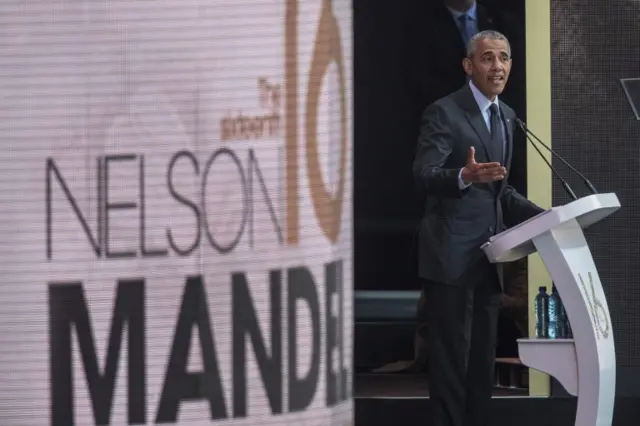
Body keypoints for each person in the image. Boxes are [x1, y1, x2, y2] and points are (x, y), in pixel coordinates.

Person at [412, 30, 544, 426]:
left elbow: (501, 192)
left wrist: (547, 215)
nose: (497, 66)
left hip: (488, 260)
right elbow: (423, 175)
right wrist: (463, 176)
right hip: (450, 260)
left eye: (504, 57)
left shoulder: (507, 116)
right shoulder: (445, 112)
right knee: (452, 364)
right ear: (469, 66)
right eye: (487, 58)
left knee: (481, 363)